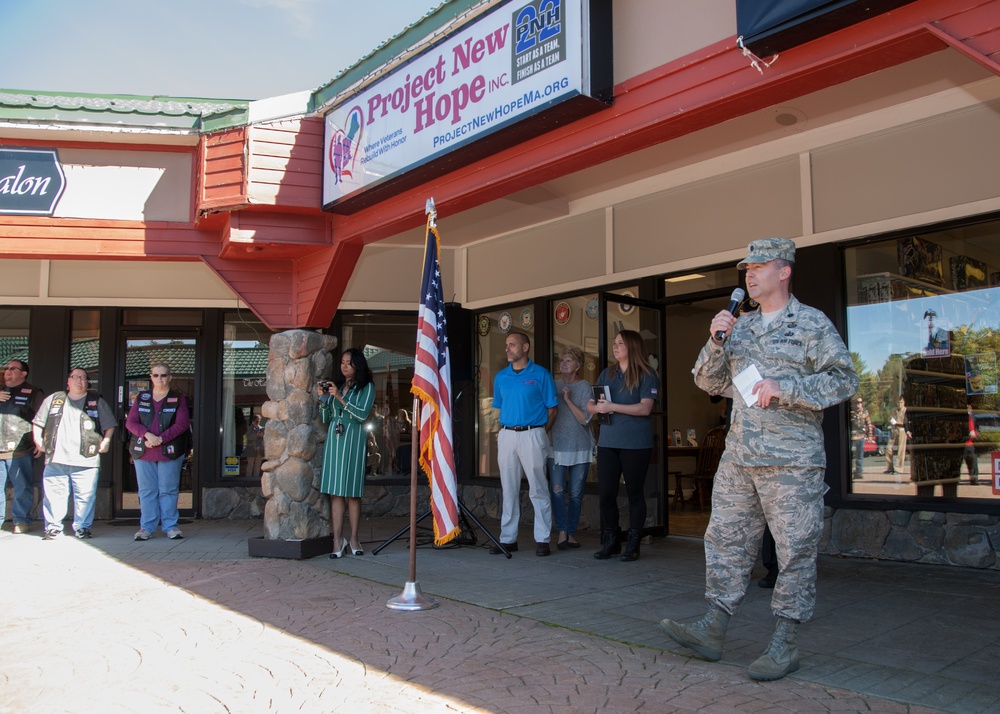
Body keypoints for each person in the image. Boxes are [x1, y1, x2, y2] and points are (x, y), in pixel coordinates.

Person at [660, 238, 858, 682]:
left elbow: (844, 379)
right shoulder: (740, 325)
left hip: (792, 462)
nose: (749, 274)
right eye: (746, 268)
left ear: (784, 271)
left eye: (759, 266)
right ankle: (713, 626)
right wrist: (715, 340)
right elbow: (707, 380)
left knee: (793, 552)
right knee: (725, 539)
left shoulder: (810, 323)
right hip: (740, 457)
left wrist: (787, 388)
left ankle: (785, 642)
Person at [587, 329, 659, 562]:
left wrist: (612, 407)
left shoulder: (647, 375)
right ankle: (612, 541)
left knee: (634, 493)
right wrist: (596, 408)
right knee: (606, 493)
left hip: (636, 444)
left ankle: (634, 544)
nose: (615, 347)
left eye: (620, 343)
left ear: (632, 346)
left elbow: (645, 408)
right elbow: (590, 402)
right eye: (614, 342)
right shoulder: (607, 373)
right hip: (608, 442)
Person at [492, 332, 558, 557]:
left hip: (533, 434)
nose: (507, 349)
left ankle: (543, 539)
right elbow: (500, 408)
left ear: (526, 347)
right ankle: (508, 539)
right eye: (506, 345)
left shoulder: (541, 374)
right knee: (508, 488)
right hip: (507, 435)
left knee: (538, 488)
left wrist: (540, 432)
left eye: (512, 345)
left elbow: (553, 409)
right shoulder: (501, 377)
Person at [32, 367, 117, 540]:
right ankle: (53, 528)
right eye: (75, 377)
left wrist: (107, 440)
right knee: (55, 496)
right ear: (68, 381)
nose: (79, 380)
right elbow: (38, 422)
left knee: (85, 497)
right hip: (56, 458)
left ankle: (82, 528)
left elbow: (109, 425)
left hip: (87, 460)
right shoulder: (54, 399)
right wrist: (37, 440)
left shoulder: (96, 401)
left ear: (87, 382)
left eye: (83, 378)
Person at [318, 348, 375, 559]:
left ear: (357, 365)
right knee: (336, 492)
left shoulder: (366, 387)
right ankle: (337, 540)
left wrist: (340, 398)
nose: (344, 366)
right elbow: (326, 418)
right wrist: (324, 399)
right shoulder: (338, 386)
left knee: (352, 491)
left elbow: (361, 415)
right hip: (335, 439)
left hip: (354, 439)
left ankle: (354, 539)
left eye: (348, 362)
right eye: (342, 362)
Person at [125, 363, 191, 541]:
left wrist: (160, 438)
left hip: (168, 451)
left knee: (168, 490)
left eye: (163, 375)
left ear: (170, 377)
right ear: (151, 377)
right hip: (144, 452)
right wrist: (147, 435)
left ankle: (171, 527)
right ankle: (147, 528)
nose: (159, 378)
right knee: (147, 491)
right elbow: (130, 422)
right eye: (156, 375)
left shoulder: (178, 398)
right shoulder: (142, 397)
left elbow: (182, 424)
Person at [548, 345, 593, 550]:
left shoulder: (584, 387)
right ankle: (562, 532)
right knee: (557, 490)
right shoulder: (553, 384)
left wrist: (567, 399)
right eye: (562, 360)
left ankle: (571, 533)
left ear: (578, 365)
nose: (563, 363)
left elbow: (585, 419)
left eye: (568, 360)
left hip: (579, 446)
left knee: (575, 493)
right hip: (555, 446)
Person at [0, 359, 44, 533]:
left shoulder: (33, 392)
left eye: (12, 368)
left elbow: (42, 418)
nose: (7, 371)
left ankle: (21, 520)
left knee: (22, 486)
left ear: (23, 373)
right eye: (6, 368)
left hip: (20, 448)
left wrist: (40, 441)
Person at [885, 396, 908, 475]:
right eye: (898, 402)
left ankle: (899, 468)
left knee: (901, 450)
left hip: (902, 430)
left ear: (904, 403)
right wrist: (890, 421)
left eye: (901, 402)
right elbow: (890, 419)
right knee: (888, 449)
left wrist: (896, 423)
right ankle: (889, 467)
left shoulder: (905, 410)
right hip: (894, 431)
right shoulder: (894, 410)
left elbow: (906, 423)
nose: (900, 404)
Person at [850, 397, 868, 480]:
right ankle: (849, 472)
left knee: (859, 456)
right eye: (856, 403)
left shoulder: (864, 412)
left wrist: (869, 435)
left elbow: (869, 423)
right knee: (850, 456)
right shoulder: (850, 413)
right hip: (852, 438)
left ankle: (859, 472)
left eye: (860, 403)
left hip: (861, 437)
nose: (858, 405)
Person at [245, 414, 264, 480]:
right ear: (253, 421)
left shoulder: (261, 428)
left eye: (259, 421)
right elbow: (248, 436)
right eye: (256, 421)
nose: (258, 423)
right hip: (251, 449)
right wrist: (257, 435)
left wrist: (262, 435)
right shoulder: (249, 428)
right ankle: (248, 479)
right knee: (250, 465)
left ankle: (255, 478)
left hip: (259, 449)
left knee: (257, 465)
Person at [963, 404, 979, 485]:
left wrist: (976, 433)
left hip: (970, 444)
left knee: (973, 462)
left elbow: (976, 427)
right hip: (961, 443)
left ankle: (974, 480)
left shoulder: (973, 416)